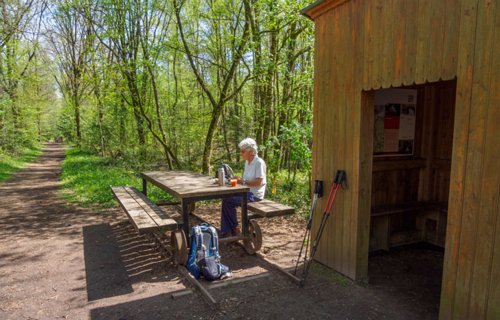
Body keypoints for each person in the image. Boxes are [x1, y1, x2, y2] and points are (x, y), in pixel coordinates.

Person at [220, 138, 266, 237]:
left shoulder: (258, 162)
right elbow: (246, 181)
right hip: (246, 192)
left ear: (251, 151)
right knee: (226, 199)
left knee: (228, 201)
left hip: (254, 195)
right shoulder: (247, 163)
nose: (241, 153)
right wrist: (239, 180)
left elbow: (259, 182)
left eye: (243, 151)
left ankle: (232, 229)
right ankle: (230, 229)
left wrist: (242, 181)